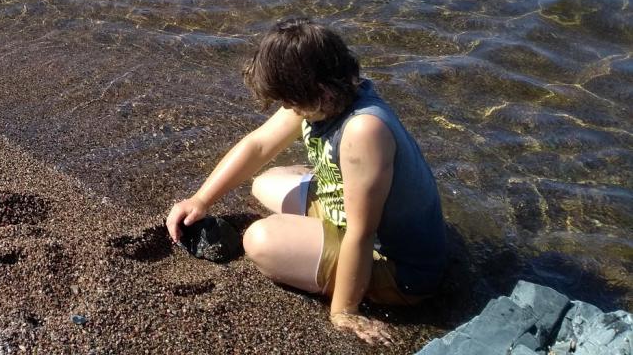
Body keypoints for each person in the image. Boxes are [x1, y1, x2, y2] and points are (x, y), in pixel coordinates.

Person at [166, 19, 447, 346]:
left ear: (320, 92)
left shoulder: (363, 131)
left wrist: (344, 311)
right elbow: (259, 145)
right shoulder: (331, 91)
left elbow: (362, 232)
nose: (287, 110)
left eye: (290, 102)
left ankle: (348, 283)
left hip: (399, 267)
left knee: (260, 239)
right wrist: (200, 200)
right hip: (345, 211)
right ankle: (317, 232)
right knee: (265, 182)